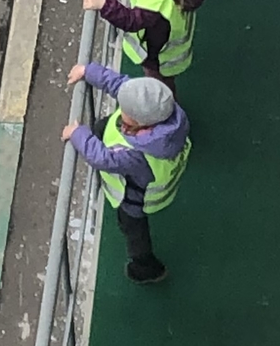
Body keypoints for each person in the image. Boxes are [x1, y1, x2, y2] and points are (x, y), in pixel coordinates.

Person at [64, 61, 190, 284]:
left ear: (145, 126)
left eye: (127, 116)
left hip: (138, 198)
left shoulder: (136, 156)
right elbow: (122, 86)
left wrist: (78, 134)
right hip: (149, 175)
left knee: (132, 228)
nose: (122, 113)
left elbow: (103, 158)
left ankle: (145, 267)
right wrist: (88, 71)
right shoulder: (165, 112)